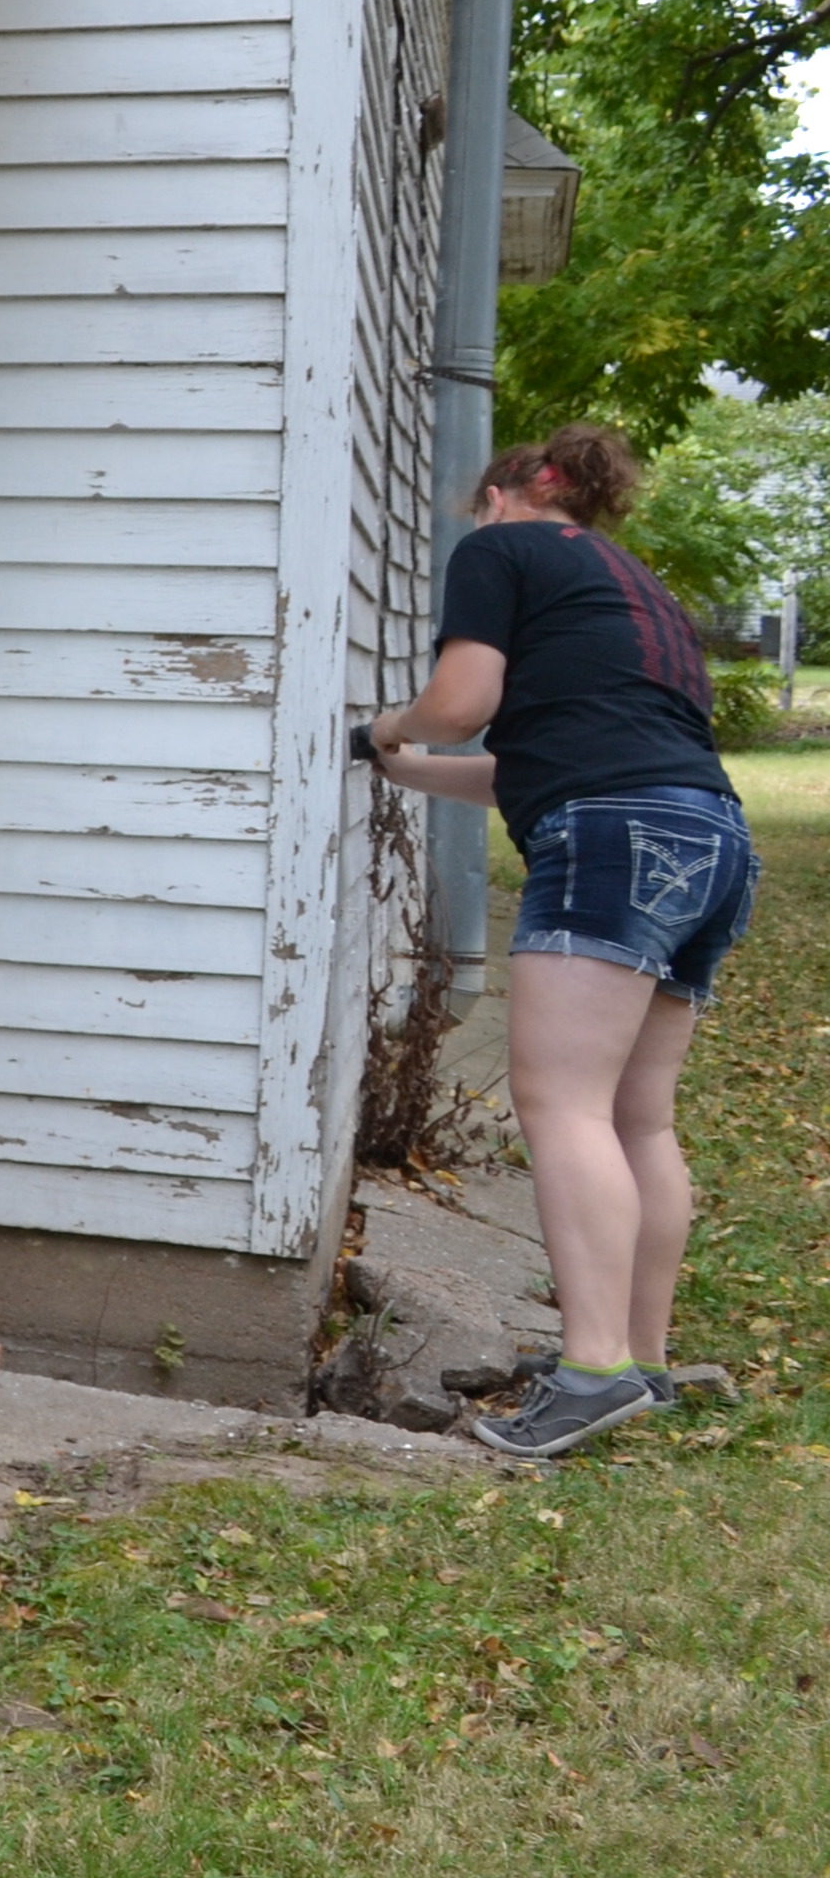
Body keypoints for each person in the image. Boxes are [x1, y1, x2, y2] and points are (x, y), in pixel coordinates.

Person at [363, 423, 754, 1458]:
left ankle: (590, 1375)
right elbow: (534, 759)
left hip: (616, 837)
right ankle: (638, 1360)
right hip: (707, 838)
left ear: (510, 494)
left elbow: (461, 706)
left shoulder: (503, 549)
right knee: (638, 1118)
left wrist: (389, 727)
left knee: (562, 1102)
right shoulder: (640, 592)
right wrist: (402, 773)